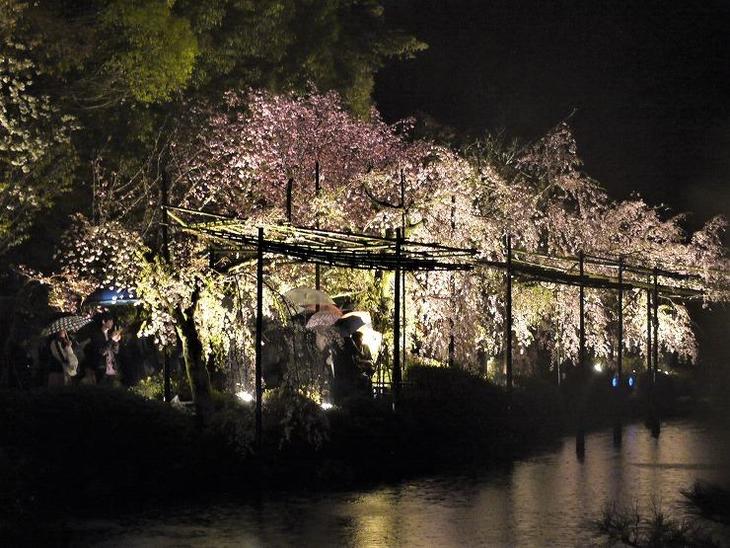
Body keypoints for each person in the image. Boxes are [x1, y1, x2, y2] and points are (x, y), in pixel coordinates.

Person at [89, 312, 121, 385]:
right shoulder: (96, 335)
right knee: (103, 387)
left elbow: (116, 351)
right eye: (110, 321)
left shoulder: (110, 334)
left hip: (112, 367)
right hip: (102, 367)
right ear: (103, 321)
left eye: (112, 321)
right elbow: (102, 352)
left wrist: (116, 342)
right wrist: (112, 340)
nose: (112, 323)